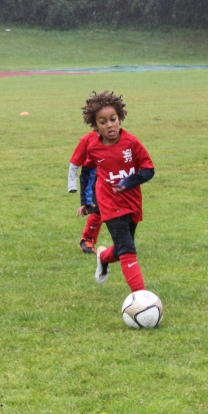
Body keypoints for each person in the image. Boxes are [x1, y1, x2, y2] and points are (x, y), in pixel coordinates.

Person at [80, 90, 155, 292]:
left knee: (123, 246)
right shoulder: (93, 148)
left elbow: (149, 170)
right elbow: (87, 171)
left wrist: (128, 182)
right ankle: (140, 297)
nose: (109, 125)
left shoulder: (131, 143)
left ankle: (103, 257)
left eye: (112, 119)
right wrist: (85, 200)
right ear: (95, 126)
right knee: (128, 249)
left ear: (119, 118)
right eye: (102, 122)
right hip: (109, 203)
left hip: (131, 202)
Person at [68, 130, 103, 253]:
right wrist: (72, 185)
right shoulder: (87, 139)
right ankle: (87, 240)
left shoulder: (116, 136)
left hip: (110, 175)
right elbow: (74, 162)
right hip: (92, 177)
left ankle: (124, 241)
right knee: (96, 209)